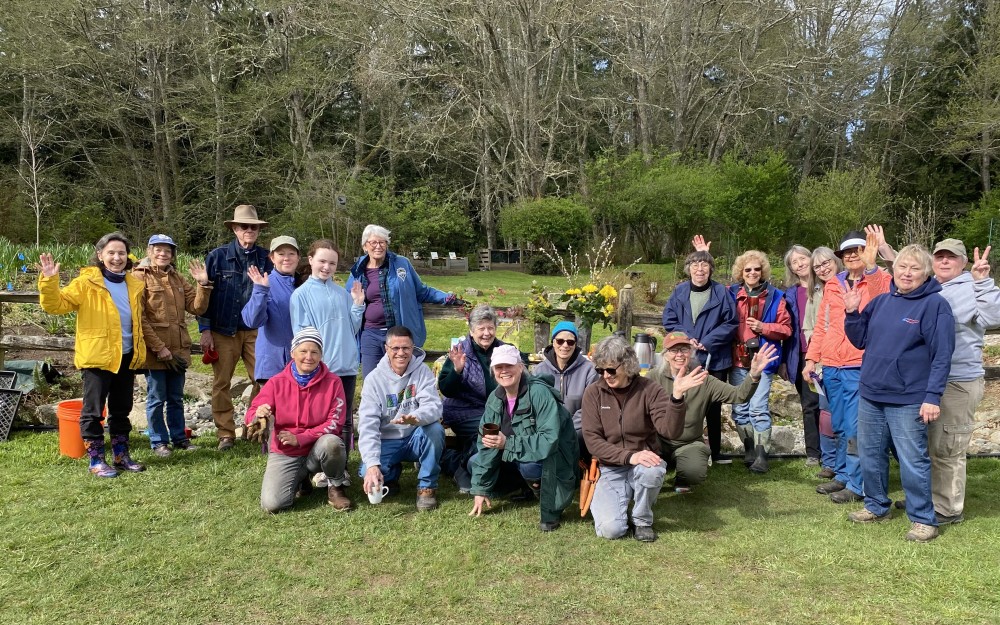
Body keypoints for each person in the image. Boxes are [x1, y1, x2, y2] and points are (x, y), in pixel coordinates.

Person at [844, 244, 955, 542]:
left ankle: (922, 519)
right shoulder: (881, 302)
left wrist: (932, 396)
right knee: (870, 454)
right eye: (903, 266)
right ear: (894, 269)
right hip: (871, 394)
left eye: (915, 268)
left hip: (908, 398)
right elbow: (859, 339)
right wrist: (852, 312)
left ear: (926, 273)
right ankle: (877, 506)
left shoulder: (934, 306)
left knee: (912, 459)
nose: (907, 273)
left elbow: (942, 355)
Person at [38, 233, 147, 477]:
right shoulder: (86, 283)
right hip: (97, 357)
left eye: (121, 253)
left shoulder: (134, 284)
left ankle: (121, 456)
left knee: (121, 409)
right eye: (111, 253)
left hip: (126, 356)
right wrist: (49, 281)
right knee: (93, 411)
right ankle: (96, 460)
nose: (116, 258)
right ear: (100, 255)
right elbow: (55, 305)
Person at [803, 228, 891, 503]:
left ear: (867, 251)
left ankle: (857, 483)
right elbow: (822, 326)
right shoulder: (834, 284)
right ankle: (842, 474)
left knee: (856, 428)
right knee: (839, 424)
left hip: (859, 364)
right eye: (848, 252)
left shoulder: (878, 279)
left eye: (858, 250)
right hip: (831, 364)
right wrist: (811, 358)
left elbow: (881, 296)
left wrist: (873, 264)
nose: (853, 256)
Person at [581, 336, 689, 542]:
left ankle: (642, 520)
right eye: (600, 370)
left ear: (627, 364)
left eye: (611, 370)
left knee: (653, 470)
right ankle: (625, 497)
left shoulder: (649, 389)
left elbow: (670, 431)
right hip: (610, 466)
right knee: (610, 531)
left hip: (644, 461)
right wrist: (630, 456)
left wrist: (676, 398)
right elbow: (593, 441)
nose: (605, 375)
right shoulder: (593, 393)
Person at [468, 345, 579, 532]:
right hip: (516, 454)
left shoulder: (540, 394)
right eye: (498, 367)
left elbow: (548, 441)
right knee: (473, 461)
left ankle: (540, 491)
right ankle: (523, 486)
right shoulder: (495, 398)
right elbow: (486, 444)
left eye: (509, 365)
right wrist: (480, 489)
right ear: (493, 371)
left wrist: (507, 443)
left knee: (529, 465)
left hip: (552, 459)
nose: (504, 371)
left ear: (520, 367)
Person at [651, 332, 778, 492]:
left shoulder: (704, 380)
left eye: (684, 349)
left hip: (688, 443)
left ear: (691, 352)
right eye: (673, 350)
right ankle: (659, 470)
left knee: (695, 473)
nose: (679, 355)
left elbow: (738, 395)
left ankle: (682, 475)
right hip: (657, 442)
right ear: (665, 355)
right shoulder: (652, 378)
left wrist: (754, 374)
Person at [245, 327, 352, 512]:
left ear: (321, 355)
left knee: (333, 443)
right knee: (272, 505)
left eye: (314, 352)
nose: (308, 357)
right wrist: (258, 414)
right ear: (293, 352)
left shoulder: (333, 382)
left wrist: (301, 438)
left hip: (318, 445)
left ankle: (335, 486)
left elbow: (335, 423)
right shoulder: (276, 382)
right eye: (303, 351)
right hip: (285, 450)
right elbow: (254, 409)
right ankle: (301, 480)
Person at [198, 204, 274, 451]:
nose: (249, 230)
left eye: (253, 227)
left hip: (258, 331)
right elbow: (205, 296)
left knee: (262, 380)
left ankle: (251, 425)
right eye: (244, 226)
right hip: (223, 329)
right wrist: (205, 329)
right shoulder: (217, 256)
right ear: (234, 229)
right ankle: (225, 433)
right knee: (222, 383)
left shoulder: (266, 258)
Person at [346, 224, 463, 377]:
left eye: (383, 242)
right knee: (371, 379)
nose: (378, 246)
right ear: (365, 246)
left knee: (401, 379)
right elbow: (347, 299)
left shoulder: (401, 264)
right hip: (371, 334)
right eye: (373, 242)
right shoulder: (358, 270)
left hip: (398, 334)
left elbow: (421, 291)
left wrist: (447, 297)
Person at [662, 237, 738, 464]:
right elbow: (669, 319)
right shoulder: (679, 292)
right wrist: (687, 338)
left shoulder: (721, 293)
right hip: (686, 357)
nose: (700, 269)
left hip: (715, 359)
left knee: (713, 405)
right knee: (685, 402)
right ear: (688, 269)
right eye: (695, 265)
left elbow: (731, 323)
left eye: (704, 265)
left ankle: (715, 451)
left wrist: (708, 340)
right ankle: (682, 448)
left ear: (711, 269)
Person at [134, 234, 212, 457]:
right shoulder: (140, 277)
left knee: (176, 398)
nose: (163, 253)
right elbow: (140, 319)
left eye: (167, 250)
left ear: (172, 254)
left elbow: (197, 308)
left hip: (178, 350)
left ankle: (179, 439)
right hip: (156, 352)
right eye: (158, 249)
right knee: (157, 398)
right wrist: (159, 348)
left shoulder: (177, 278)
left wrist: (202, 285)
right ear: (149, 251)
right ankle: (159, 442)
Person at [358, 326, 446, 511]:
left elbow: (434, 407)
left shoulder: (422, 371)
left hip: (415, 435)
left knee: (435, 430)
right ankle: (391, 473)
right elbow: (368, 425)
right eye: (395, 348)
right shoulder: (374, 379)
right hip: (386, 439)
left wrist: (416, 417)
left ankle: (427, 486)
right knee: (367, 472)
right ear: (386, 349)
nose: (401, 353)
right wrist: (373, 464)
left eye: (406, 348)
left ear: (413, 347)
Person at [290, 239, 365, 449]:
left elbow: (353, 328)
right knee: (320, 418)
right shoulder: (301, 295)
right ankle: (320, 463)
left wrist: (357, 305)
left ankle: (341, 468)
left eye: (332, 263)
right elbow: (302, 334)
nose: (327, 267)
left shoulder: (342, 293)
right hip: (322, 368)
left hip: (347, 366)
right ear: (311, 260)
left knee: (345, 418)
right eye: (322, 261)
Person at [439, 304, 516, 492]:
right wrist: (457, 370)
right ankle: (462, 465)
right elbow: (446, 389)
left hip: (496, 410)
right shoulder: (460, 351)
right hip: (463, 411)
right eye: (481, 328)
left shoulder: (503, 349)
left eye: (490, 328)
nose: (486, 333)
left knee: (501, 430)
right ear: (471, 331)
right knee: (487, 430)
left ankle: (456, 460)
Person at [727, 250, 792, 473]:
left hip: (763, 359)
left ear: (762, 271)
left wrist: (764, 328)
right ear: (741, 273)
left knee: (758, 408)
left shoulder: (775, 296)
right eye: (748, 270)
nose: (753, 273)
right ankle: (749, 451)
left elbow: (786, 329)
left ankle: (762, 455)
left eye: (757, 269)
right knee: (740, 408)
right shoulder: (731, 294)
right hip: (737, 359)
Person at [530, 320, 599, 460]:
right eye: (560, 341)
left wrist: (568, 429)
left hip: (578, 430)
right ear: (553, 342)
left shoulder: (589, 370)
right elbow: (535, 405)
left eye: (570, 342)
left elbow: (589, 407)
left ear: (576, 344)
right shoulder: (540, 370)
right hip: (547, 429)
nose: (565, 346)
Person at [781, 244, 822, 467]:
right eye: (794, 262)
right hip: (801, 355)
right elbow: (787, 331)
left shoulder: (827, 286)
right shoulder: (790, 294)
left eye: (802, 258)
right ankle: (814, 453)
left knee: (828, 406)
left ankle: (832, 451)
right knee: (809, 404)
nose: (800, 264)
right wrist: (786, 360)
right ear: (792, 269)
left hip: (826, 355)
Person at [241, 236, 300, 385]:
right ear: (272, 258)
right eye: (281, 254)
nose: (286, 258)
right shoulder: (264, 283)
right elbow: (252, 321)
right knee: (270, 408)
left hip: (301, 365)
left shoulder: (303, 284)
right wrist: (260, 291)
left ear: (298, 257)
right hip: (273, 367)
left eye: (291, 253)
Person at [808, 247, 843, 479]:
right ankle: (830, 462)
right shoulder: (815, 292)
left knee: (844, 417)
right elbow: (815, 329)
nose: (822, 268)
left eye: (826, 263)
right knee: (826, 413)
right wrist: (811, 359)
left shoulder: (846, 285)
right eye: (817, 266)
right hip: (823, 361)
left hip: (847, 361)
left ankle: (844, 465)